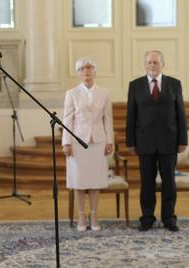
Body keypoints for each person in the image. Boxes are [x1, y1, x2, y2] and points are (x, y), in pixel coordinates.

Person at [126, 50, 187, 232]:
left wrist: (182, 139)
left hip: (169, 141)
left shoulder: (174, 84)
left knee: (169, 182)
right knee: (147, 183)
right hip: (144, 142)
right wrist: (131, 142)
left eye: (156, 62)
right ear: (145, 65)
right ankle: (147, 218)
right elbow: (131, 115)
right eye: (149, 62)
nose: (152, 65)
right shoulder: (135, 85)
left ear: (162, 64)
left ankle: (169, 218)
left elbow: (181, 114)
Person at [62, 58, 114, 232]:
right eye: (82, 68)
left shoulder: (105, 92)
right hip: (77, 143)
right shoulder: (72, 93)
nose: (86, 71)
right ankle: (81, 216)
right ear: (78, 72)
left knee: (94, 181)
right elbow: (67, 119)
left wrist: (110, 141)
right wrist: (66, 142)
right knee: (79, 181)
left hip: (98, 142)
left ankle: (94, 215)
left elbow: (108, 119)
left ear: (95, 70)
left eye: (90, 67)